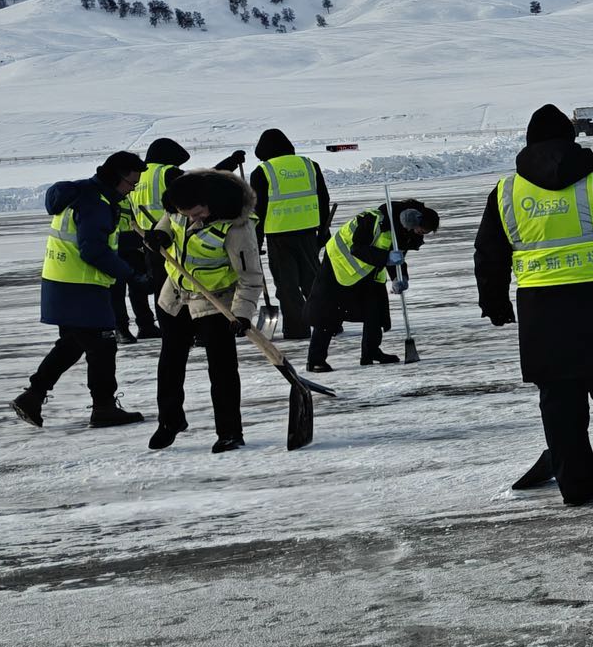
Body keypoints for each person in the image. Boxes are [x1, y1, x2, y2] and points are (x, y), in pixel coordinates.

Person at [476, 104, 593, 505]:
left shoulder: (507, 191)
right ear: (570, 138)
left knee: (559, 401)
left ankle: (576, 487)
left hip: (540, 311)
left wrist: (493, 302)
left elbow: (488, 253)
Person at [13, 151, 148, 429]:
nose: (131, 191)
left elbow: (96, 237)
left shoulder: (82, 194)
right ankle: (104, 408)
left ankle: (33, 395)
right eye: (131, 184)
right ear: (117, 178)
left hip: (62, 284)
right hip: (82, 287)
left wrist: (137, 240)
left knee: (73, 343)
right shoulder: (95, 203)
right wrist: (131, 274)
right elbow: (93, 250)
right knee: (102, 347)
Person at [148, 168, 265, 452]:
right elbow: (168, 222)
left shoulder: (237, 227)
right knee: (170, 364)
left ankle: (229, 432)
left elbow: (250, 277)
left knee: (222, 370)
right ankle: (170, 421)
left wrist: (242, 315)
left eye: (197, 213)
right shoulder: (181, 206)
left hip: (216, 302)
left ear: (213, 202)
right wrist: (159, 236)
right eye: (186, 214)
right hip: (175, 297)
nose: (192, 219)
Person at [305, 196, 437, 373]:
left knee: (375, 309)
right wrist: (386, 258)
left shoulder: (404, 232)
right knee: (328, 313)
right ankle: (316, 360)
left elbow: (397, 258)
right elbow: (357, 249)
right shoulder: (374, 220)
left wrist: (400, 277)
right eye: (421, 231)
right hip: (339, 264)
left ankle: (371, 352)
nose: (420, 235)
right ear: (413, 222)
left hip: (369, 270)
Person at [250, 128, 331, 340]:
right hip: (308, 234)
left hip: (279, 237)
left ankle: (297, 329)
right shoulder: (309, 165)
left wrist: (255, 241)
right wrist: (324, 230)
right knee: (313, 282)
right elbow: (323, 199)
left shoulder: (262, 172)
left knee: (288, 287)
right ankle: (328, 322)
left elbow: (257, 211)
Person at [123, 137, 189, 338]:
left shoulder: (137, 176)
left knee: (159, 287)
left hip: (147, 240)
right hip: (172, 239)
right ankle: (187, 328)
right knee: (182, 284)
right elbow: (195, 190)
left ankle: (157, 326)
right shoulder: (167, 173)